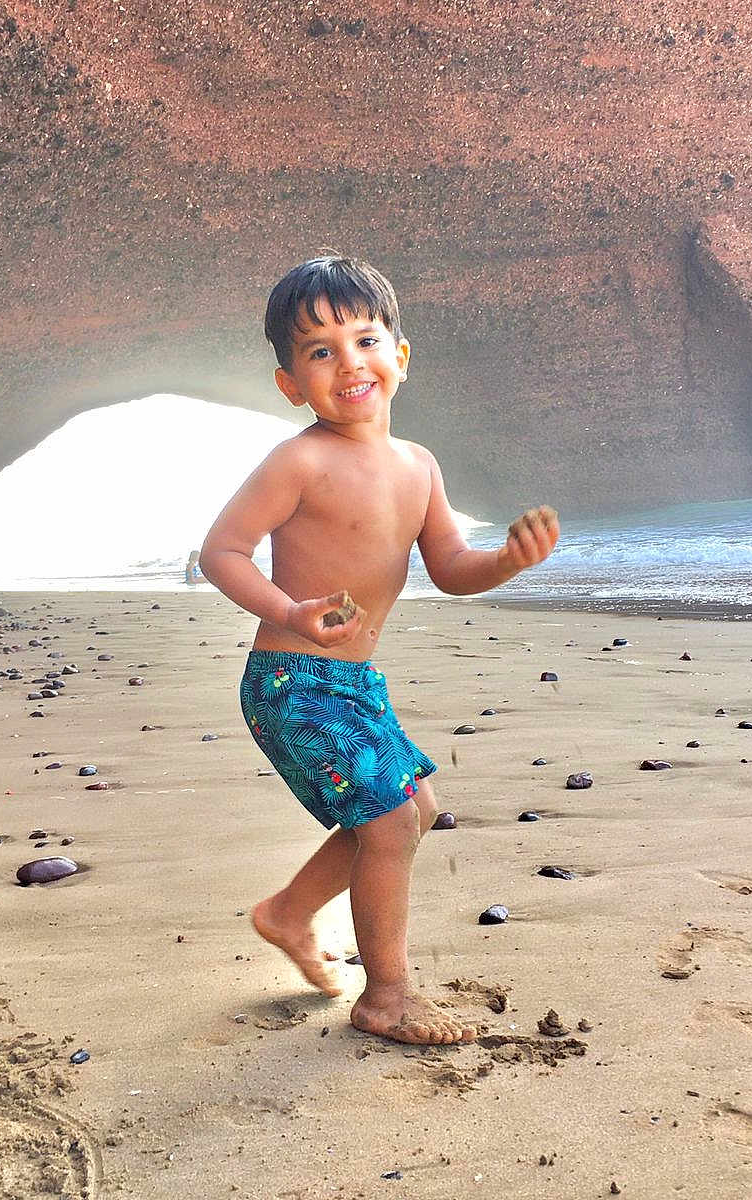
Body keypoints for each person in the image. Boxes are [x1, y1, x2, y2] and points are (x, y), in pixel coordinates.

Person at [200, 255, 559, 1046]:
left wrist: (505, 562)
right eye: (320, 351)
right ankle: (386, 996)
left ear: (399, 355)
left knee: (412, 810)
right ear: (291, 383)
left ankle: (288, 913)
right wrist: (290, 609)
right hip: (290, 680)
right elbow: (221, 552)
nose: (349, 363)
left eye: (364, 341)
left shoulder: (419, 466)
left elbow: (451, 569)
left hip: (355, 682)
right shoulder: (301, 461)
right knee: (391, 822)